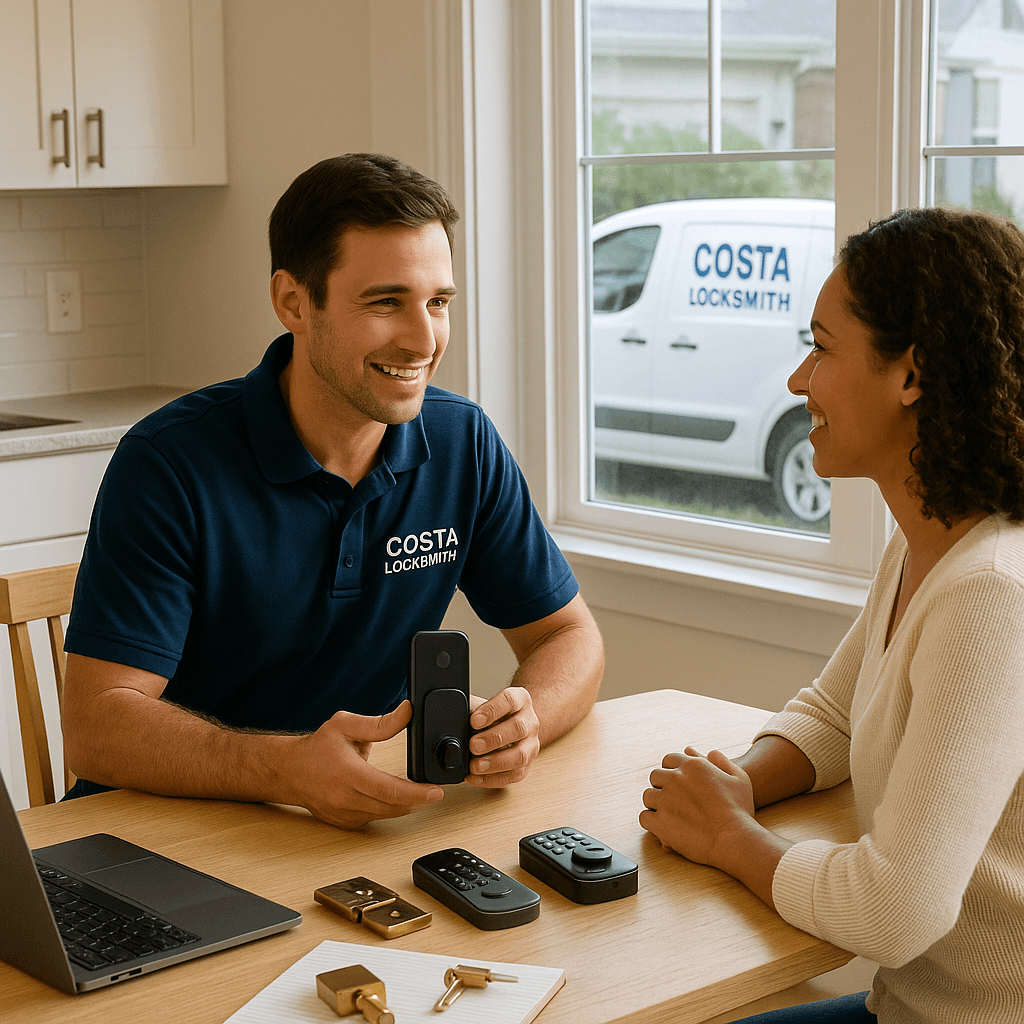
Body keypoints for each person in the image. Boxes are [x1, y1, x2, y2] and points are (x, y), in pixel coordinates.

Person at [61, 153, 604, 829]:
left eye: (437, 302)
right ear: (293, 301)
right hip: (161, 833)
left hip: (346, 827)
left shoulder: (462, 443)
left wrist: (525, 723)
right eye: (385, 303)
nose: (422, 339)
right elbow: (96, 728)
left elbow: (568, 636)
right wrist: (284, 767)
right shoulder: (169, 462)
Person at [639, 206, 1024, 1023]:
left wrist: (730, 838)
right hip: (905, 1005)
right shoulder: (929, 541)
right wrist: (733, 783)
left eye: (820, 347)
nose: (797, 380)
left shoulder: (993, 591)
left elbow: (896, 911)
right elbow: (837, 716)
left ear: (911, 375)